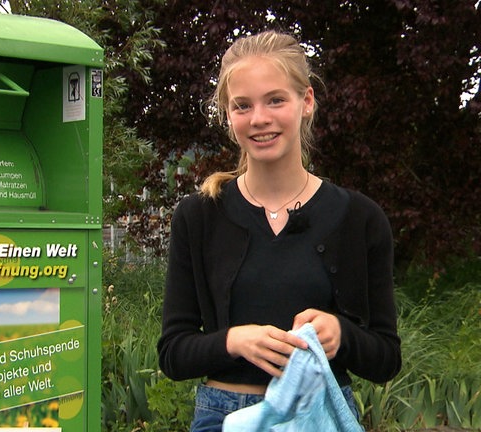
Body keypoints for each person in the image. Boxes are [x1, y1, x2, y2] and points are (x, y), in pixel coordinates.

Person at [156, 30, 401, 431]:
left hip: (319, 414)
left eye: (275, 100)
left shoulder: (361, 219)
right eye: (242, 105)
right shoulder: (198, 217)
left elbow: (386, 358)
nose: (259, 119)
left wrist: (341, 333)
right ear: (227, 113)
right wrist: (233, 341)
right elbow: (173, 353)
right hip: (224, 417)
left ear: (306, 101)